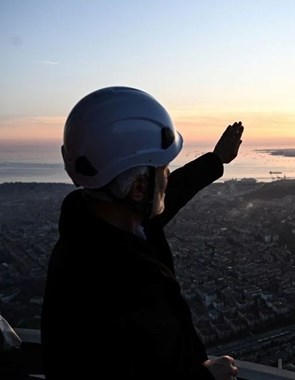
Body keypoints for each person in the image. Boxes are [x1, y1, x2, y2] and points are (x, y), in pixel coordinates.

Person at [41, 86, 243, 379]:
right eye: (164, 168)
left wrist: (216, 160)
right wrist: (209, 377)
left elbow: (165, 197)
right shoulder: (124, 285)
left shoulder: (94, 228)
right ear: (138, 189)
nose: (167, 176)